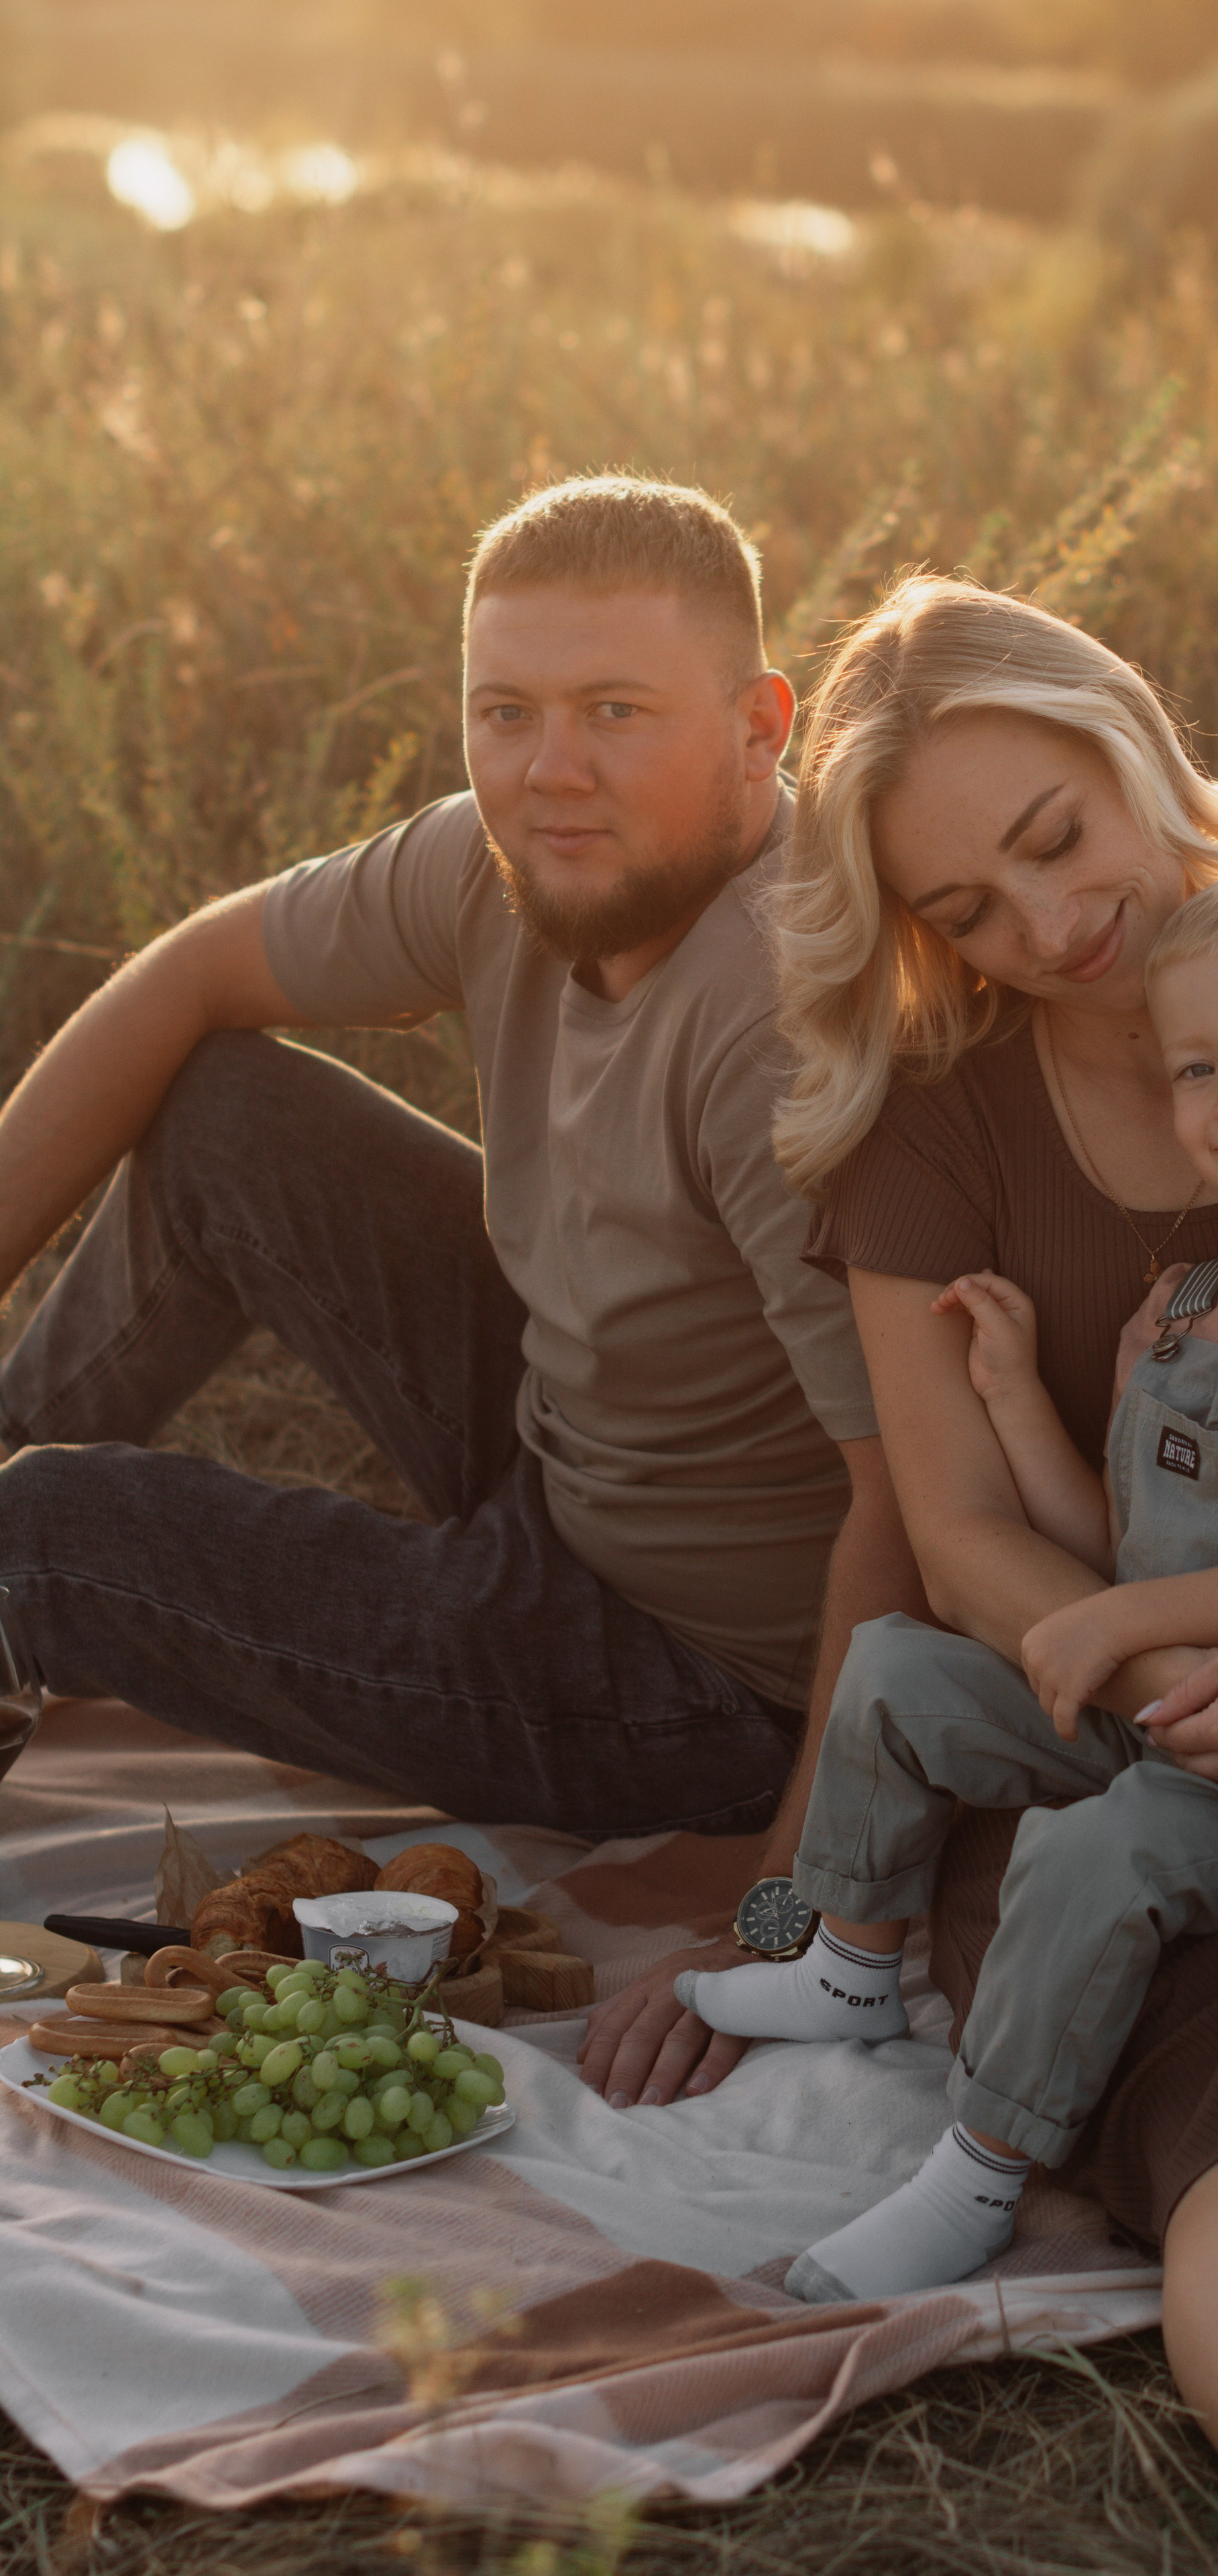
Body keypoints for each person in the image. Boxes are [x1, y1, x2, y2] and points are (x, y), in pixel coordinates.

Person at [606, 569, 1218, 2576]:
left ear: (1124, 740)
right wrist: (1167, 1697)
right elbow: (953, 1528)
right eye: (965, 910)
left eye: (1055, 839)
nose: (1050, 927)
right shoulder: (931, 1129)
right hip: (1089, 1756)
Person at [0, 478, 923, 1917]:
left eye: (616, 711)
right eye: (506, 711)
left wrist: (779, 1880)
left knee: (43, 1537)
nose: (550, 769)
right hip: (560, 1443)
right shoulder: (506, 860)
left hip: (696, 1685)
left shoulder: (779, 1028)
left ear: (760, 728)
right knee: (227, 1107)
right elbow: (190, 974)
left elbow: (918, 1502)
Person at [682, 857, 1218, 2307]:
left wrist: (1113, 1622)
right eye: (1196, 1067)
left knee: (1081, 1856)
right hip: (1130, 1703)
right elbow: (1108, 1528)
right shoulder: (1178, 1301)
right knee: (891, 1663)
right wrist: (1006, 1399)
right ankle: (846, 1962)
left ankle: (979, 2171)